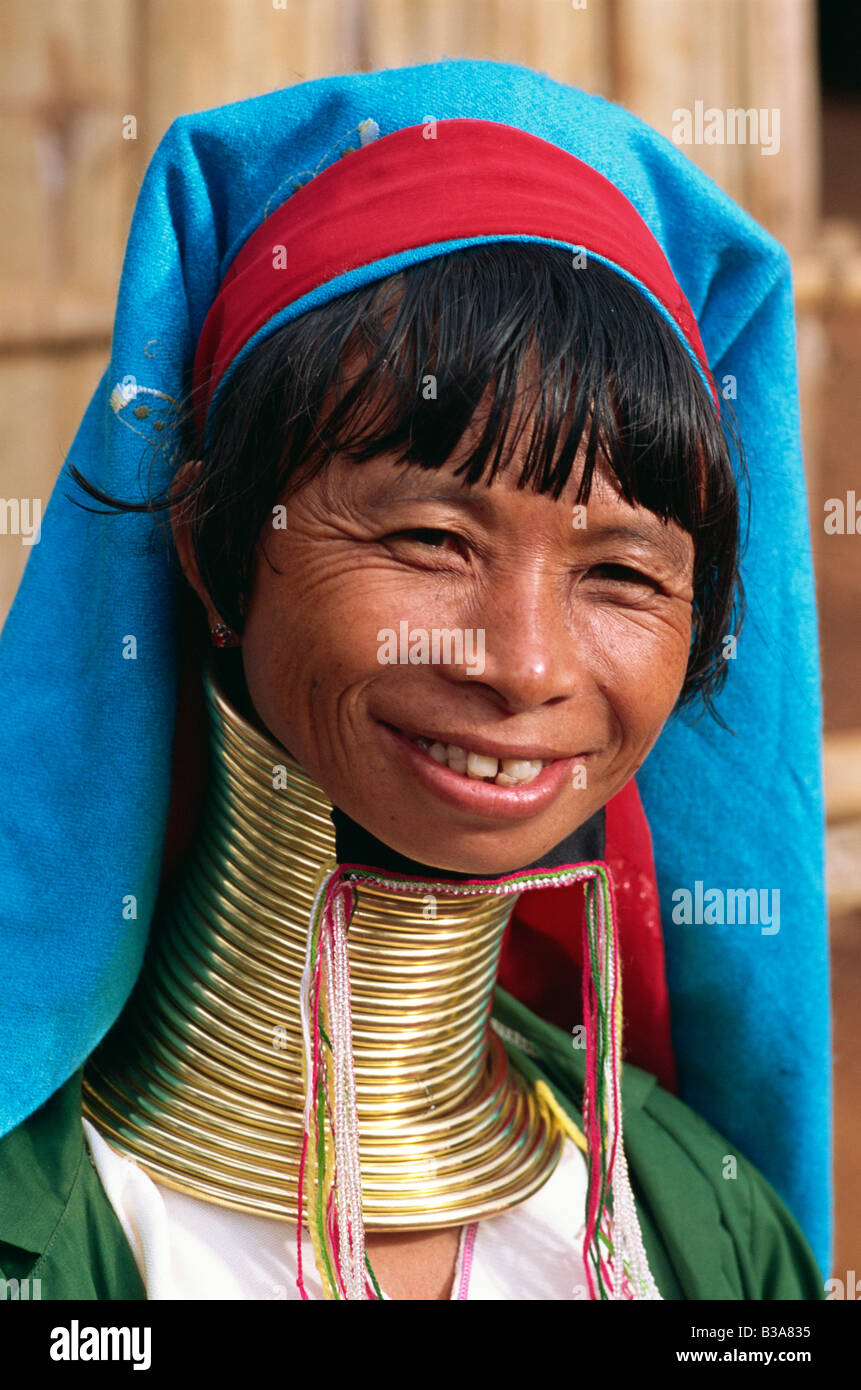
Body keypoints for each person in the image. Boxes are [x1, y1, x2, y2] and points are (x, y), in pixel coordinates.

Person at [0, 59, 829, 1301]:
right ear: (215, 552)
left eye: (621, 575)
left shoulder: (706, 1235)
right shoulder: (45, 1235)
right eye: (431, 541)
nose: (526, 663)